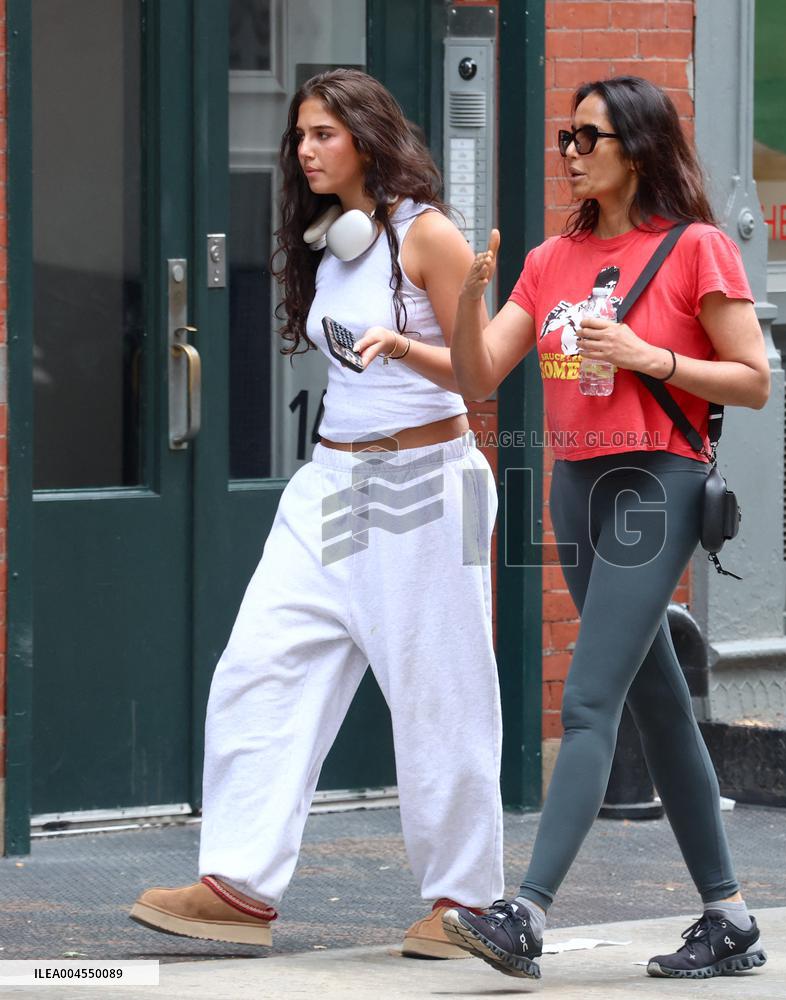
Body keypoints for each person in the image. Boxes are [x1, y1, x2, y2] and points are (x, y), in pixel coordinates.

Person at [130, 69, 504, 960]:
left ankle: (464, 901)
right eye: (300, 134)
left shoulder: (427, 234)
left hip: (427, 485)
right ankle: (238, 887)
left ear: (369, 138)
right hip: (336, 485)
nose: (306, 149)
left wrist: (408, 343)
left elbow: (483, 371)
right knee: (261, 666)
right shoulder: (334, 241)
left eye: (325, 133)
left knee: (440, 694)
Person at [441, 76, 771, 981]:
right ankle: (730, 918)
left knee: (588, 700)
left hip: (656, 482)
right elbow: (480, 375)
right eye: (566, 138)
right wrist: (468, 298)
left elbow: (753, 379)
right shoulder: (551, 259)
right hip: (576, 489)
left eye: (589, 137)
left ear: (639, 146)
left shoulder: (696, 248)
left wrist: (650, 356)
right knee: (660, 704)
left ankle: (527, 914)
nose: (573, 152)